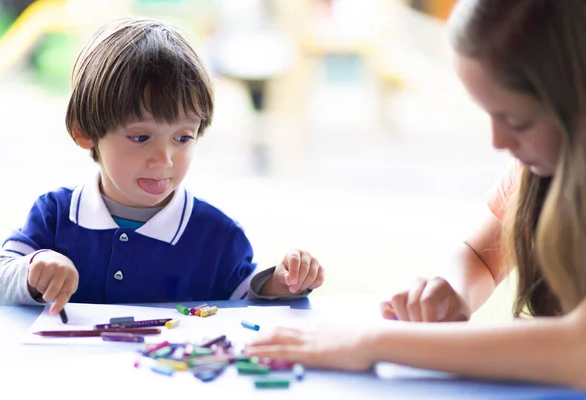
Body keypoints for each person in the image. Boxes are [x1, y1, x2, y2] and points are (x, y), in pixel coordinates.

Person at [245, 0, 586, 389]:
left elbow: (577, 349)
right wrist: (453, 293)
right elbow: (479, 256)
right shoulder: (539, 165)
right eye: (489, 114)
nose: (498, 141)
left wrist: (370, 341)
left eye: (516, 120)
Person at [0, 17, 325, 314]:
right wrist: (32, 272)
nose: (163, 160)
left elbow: (246, 301)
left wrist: (282, 282)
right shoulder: (55, 216)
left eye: (182, 138)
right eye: (140, 137)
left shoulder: (217, 236)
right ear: (85, 132)